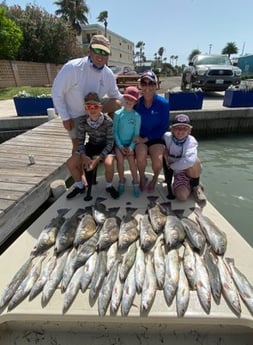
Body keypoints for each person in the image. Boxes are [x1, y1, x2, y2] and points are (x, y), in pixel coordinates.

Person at [52, 34, 122, 153]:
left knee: (118, 103)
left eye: (104, 53)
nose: (100, 56)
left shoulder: (108, 74)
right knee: (77, 148)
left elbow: (116, 96)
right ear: (90, 50)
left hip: (94, 108)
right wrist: (65, 117)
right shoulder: (73, 67)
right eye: (97, 51)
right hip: (75, 114)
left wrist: (135, 103)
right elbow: (56, 92)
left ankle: (109, 136)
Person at [66, 92, 119, 200]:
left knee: (109, 164)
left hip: (105, 146)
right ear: (85, 108)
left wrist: (98, 159)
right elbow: (80, 142)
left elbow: (110, 143)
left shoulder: (108, 122)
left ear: (100, 107)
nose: (92, 109)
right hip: (91, 145)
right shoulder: (82, 122)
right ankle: (80, 186)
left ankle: (109, 186)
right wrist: (84, 156)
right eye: (88, 106)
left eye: (95, 106)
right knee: (71, 163)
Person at [134, 71, 170, 192]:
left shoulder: (163, 104)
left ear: (156, 86)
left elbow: (164, 127)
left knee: (158, 161)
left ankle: (155, 178)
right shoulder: (136, 103)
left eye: (151, 83)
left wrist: (147, 138)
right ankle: (142, 177)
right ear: (140, 86)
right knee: (140, 157)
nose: (147, 87)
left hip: (156, 138)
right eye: (144, 83)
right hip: (141, 138)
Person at [163, 113, 206, 203]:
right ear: (172, 129)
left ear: (189, 131)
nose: (180, 131)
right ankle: (189, 186)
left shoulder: (191, 141)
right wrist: (162, 149)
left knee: (195, 161)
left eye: (184, 128)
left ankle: (196, 185)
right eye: (177, 128)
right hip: (179, 173)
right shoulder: (166, 137)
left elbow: (189, 161)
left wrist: (172, 166)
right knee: (182, 197)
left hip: (189, 170)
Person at [113, 86, 141, 197]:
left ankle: (135, 182)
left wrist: (131, 147)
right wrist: (120, 146)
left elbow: (136, 134)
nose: (129, 101)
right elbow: (114, 132)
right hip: (119, 144)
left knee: (132, 163)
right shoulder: (117, 114)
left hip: (130, 145)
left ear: (135, 101)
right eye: (127, 98)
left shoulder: (137, 116)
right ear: (124, 98)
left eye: (132, 99)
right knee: (119, 161)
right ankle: (121, 180)